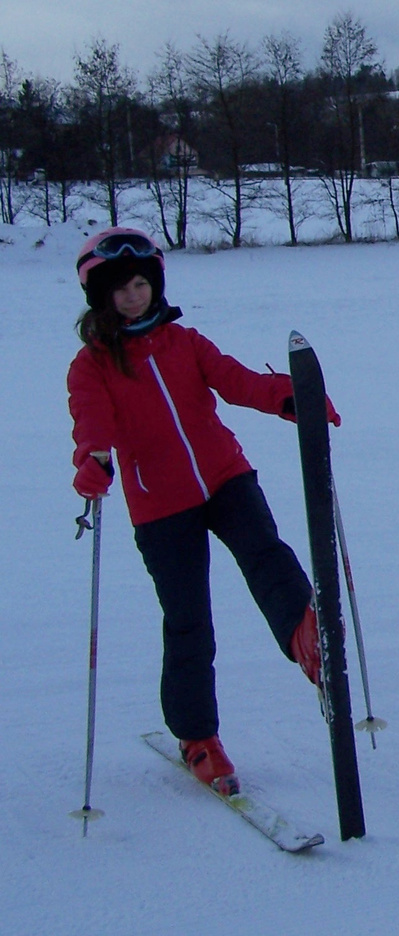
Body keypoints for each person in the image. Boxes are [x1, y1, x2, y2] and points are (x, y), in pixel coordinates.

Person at [66, 228, 337, 796]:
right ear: (102, 297)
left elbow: (236, 382)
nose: (134, 296)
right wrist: (93, 460)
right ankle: (198, 738)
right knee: (189, 619)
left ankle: (305, 636)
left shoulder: (185, 342)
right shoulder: (91, 366)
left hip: (224, 476)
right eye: (122, 289)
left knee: (266, 551)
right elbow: (93, 422)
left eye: (142, 284)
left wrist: (292, 396)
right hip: (160, 506)